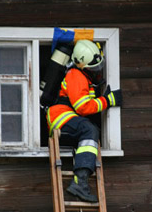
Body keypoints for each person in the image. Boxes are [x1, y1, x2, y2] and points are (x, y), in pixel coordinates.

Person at [46, 40, 121, 204]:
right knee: (89, 130)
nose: (96, 71)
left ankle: (80, 182)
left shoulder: (83, 77)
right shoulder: (76, 75)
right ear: (81, 65)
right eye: (93, 68)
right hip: (61, 117)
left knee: (90, 129)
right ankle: (80, 183)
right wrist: (107, 101)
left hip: (66, 117)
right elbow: (83, 107)